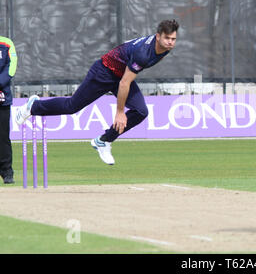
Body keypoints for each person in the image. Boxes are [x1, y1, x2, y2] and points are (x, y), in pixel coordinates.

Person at [16, 19, 179, 165]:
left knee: (141, 111)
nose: (171, 42)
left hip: (121, 74)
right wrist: (120, 112)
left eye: (173, 39)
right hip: (104, 72)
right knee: (71, 106)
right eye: (167, 38)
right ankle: (33, 107)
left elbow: (125, 78)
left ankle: (103, 141)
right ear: (158, 36)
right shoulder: (143, 54)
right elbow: (124, 83)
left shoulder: (164, 49)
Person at [0, 36, 17, 184]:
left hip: (2, 97)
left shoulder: (6, 43)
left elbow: (11, 67)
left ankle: (6, 171)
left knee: (3, 137)